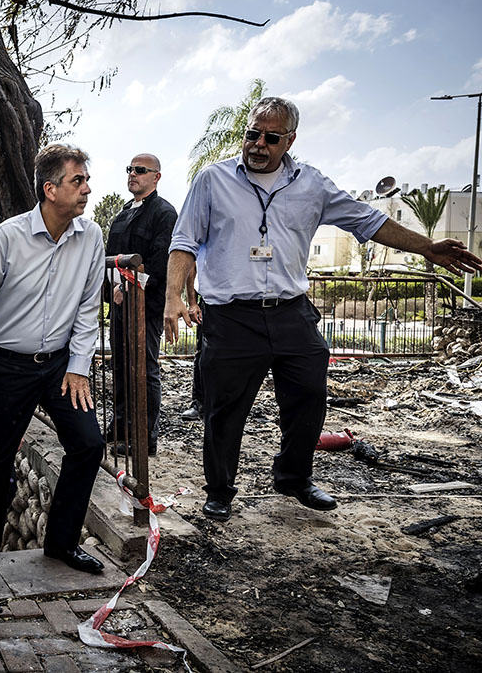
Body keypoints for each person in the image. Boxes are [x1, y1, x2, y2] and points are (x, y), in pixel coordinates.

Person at [165, 96, 482, 522]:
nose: (258, 143)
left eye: (270, 137)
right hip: (231, 317)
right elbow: (184, 241)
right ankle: (220, 488)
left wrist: (428, 246)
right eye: (252, 134)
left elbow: (368, 221)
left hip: (291, 312)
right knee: (225, 409)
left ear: (290, 139)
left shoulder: (311, 184)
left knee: (310, 396)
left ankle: (293, 477)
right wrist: (172, 296)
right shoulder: (213, 180)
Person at [0, 143, 106, 575]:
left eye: (86, 180)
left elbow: (87, 308)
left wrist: (79, 365)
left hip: (60, 365)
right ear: (50, 189)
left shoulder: (92, 236)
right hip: (6, 364)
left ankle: (61, 544)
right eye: (77, 181)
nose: (87, 189)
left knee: (89, 444)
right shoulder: (6, 237)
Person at [104, 154, 177, 456]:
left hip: (146, 306)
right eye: (130, 169)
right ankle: (120, 426)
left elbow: (159, 266)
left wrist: (132, 287)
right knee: (120, 364)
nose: (133, 174)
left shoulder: (164, 214)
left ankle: (145, 437)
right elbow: (110, 257)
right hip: (121, 302)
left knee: (144, 369)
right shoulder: (121, 215)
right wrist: (117, 286)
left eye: (140, 170)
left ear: (156, 176)